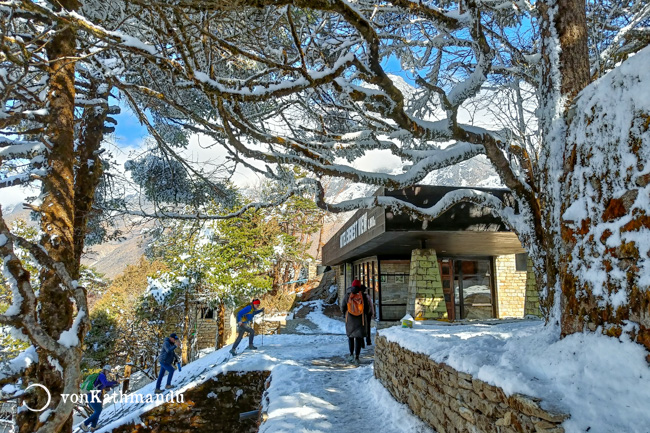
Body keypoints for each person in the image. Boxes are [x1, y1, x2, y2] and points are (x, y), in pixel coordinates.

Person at [79, 365, 118, 432]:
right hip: (92, 395)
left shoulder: (100, 377)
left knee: (98, 410)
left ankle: (93, 426)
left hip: (91, 395)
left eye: (108, 371)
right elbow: (105, 383)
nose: (108, 373)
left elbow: (102, 386)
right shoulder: (101, 375)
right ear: (104, 370)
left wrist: (112, 384)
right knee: (98, 410)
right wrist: (115, 382)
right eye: (107, 371)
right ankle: (85, 424)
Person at [341, 279, 368, 366]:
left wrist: (344, 314)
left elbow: (343, 306)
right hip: (360, 319)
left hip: (350, 319)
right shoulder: (363, 295)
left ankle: (351, 355)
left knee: (351, 337)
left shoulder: (348, 295)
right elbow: (367, 308)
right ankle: (357, 357)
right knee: (359, 338)